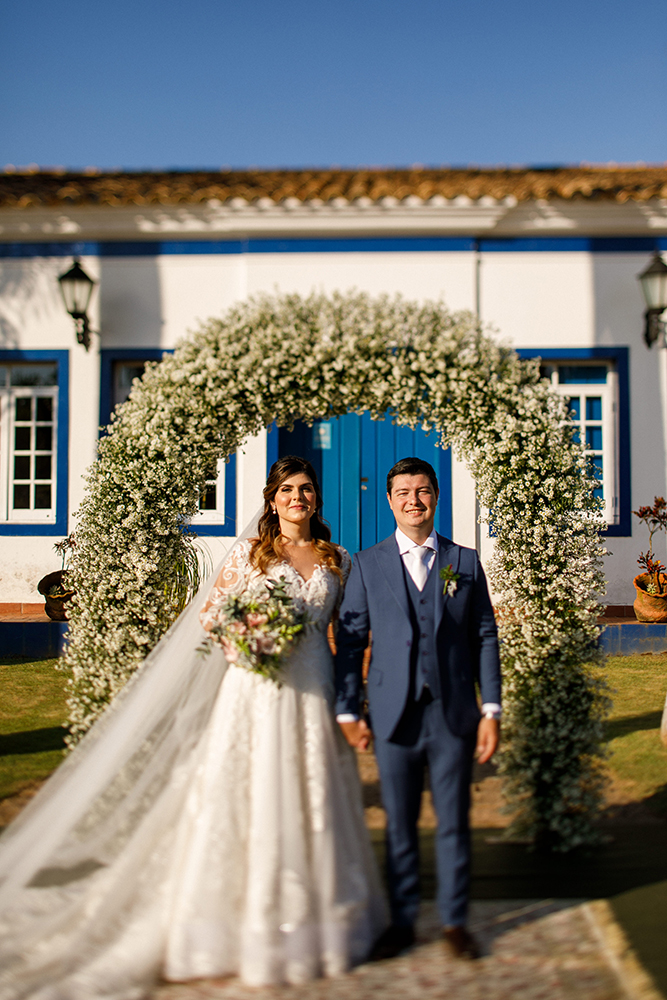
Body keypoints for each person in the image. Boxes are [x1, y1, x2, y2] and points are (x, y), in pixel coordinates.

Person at [0, 455, 386, 998]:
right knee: (246, 799)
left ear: (315, 499)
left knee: (311, 798)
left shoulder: (336, 558)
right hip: (256, 690)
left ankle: (311, 929)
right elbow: (212, 618)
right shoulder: (250, 554)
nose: (298, 498)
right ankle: (231, 929)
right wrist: (248, 645)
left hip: (313, 692)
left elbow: (348, 630)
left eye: (306, 489)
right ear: (272, 501)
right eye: (288, 491)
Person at [334, 456, 501, 961]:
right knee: (399, 822)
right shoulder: (366, 563)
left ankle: (454, 921)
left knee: (453, 821)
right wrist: (347, 711)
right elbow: (349, 639)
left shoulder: (465, 561)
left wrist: (490, 707)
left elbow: (485, 636)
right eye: (403, 492)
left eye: (423, 491)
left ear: (436, 496)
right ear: (389, 501)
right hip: (391, 712)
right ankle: (403, 920)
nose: (414, 500)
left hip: (452, 713)